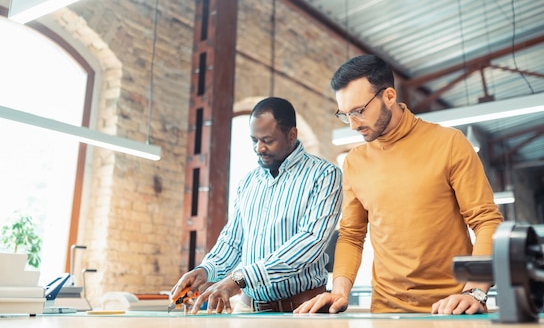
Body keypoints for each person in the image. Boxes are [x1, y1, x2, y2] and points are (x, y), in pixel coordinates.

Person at [294, 55, 503, 315]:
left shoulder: (449, 143)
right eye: (345, 114)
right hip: (385, 311)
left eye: (358, 111)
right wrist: (338, 291)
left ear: (389, 96)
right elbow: (351, 235)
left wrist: (475, 291)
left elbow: (486, 221)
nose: (353, 123)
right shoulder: (355, 162)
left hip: (453, 308)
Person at [170, 97, 343, 314]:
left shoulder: (325, 175)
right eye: (254, 140)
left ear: (292, 135)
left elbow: (310, 241)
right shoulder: (249, 182)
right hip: (249, 309)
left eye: (268, 140)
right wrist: (205, 270)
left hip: (302, 310)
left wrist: (240, 279)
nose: (259, 148)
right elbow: (232, 242)